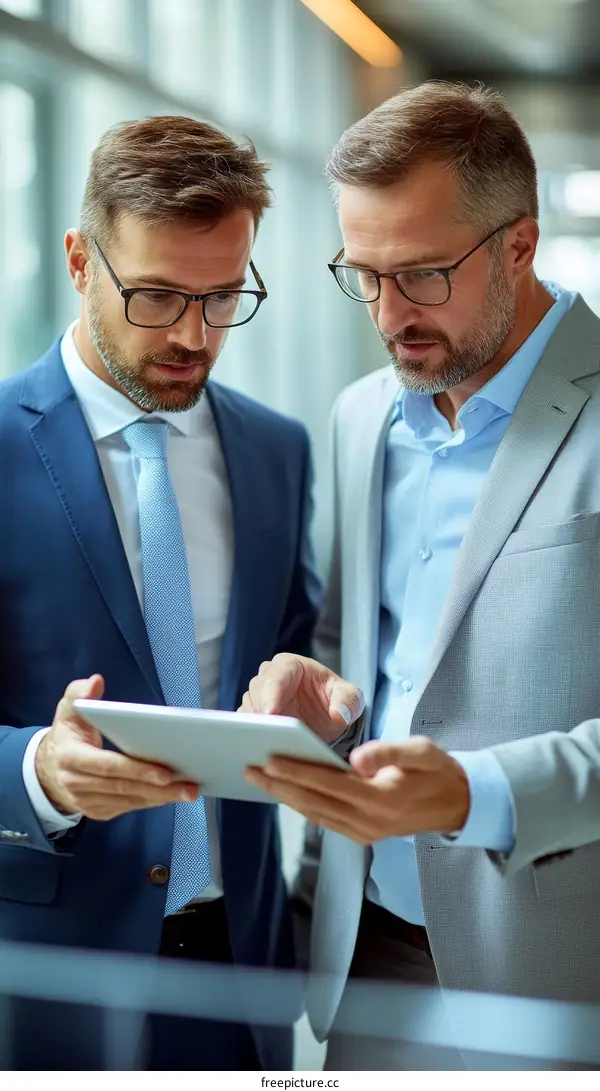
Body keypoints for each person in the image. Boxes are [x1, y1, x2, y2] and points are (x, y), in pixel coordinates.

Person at [241, 81, 600, 1071]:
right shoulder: (362, 416)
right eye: (365, 275)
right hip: (366, 954)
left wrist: (472, 792)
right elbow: (357, 646)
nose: (391, 315)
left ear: (520, 246)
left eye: (424, 275)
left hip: (554, 971)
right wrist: (313, 692)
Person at [0, 115, 322, 1071]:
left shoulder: (276, 449)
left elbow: (294, 655)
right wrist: (37, 774)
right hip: (52, 979)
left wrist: (325, 700)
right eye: (156, 296)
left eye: (225, 297)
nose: (193, 334)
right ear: (78, 261)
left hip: (242, 974)